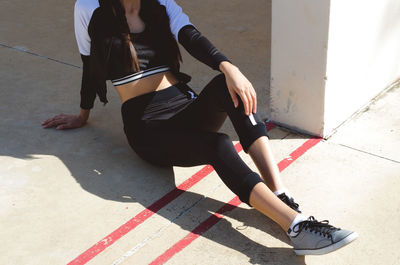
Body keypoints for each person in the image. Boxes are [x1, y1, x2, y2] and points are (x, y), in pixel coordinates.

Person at [42, 0, 358, 255]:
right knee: (218, 144)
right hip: (147, 127)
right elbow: (89, 66)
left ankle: (279, 193)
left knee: (227, 86)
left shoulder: (161, 4)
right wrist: (83, 115)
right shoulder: (88, 8)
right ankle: (298, 227)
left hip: (184, 105)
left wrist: (229, 67)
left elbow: (192, 37)